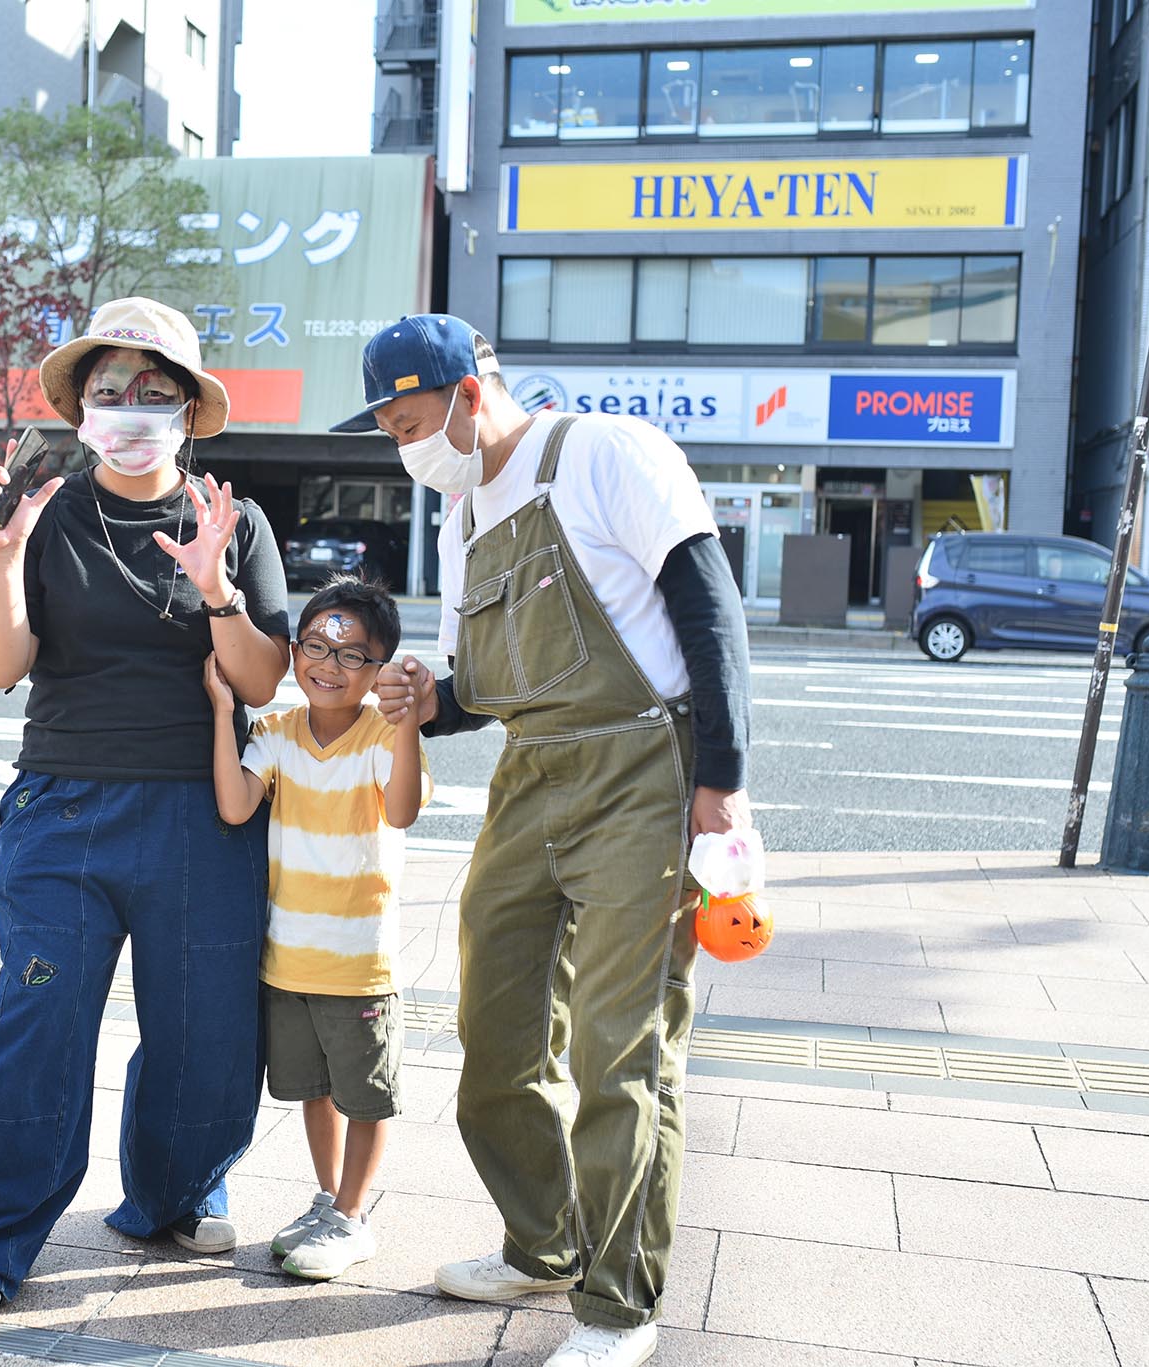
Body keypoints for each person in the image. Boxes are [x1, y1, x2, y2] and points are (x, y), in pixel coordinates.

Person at [343, 316, 752, 1367]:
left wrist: (720, 784)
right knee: (494, 1035)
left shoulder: (606, 452)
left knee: (622, 1048)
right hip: (530, 772)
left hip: (644, 764)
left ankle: (618, 1305)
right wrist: (423, 698)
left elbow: (709, 610)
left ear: (469, 393)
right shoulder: (461, 519)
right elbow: (477, 692)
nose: (402, 446)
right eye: (388, 430)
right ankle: (543, 1241)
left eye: (409, 422)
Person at [0, 297, 291, 1338]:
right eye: (109, 389)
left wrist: (218, 586)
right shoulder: (44, 511)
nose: (131, 407)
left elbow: (261, 679)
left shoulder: (235, 520)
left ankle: (176, 1192)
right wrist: (1, 556)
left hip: (204, 810)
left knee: (205, 1028)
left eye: (154, 390)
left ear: (188, 409)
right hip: (63, 803)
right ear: (80, 406)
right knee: (36, 1024)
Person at [202, 577, 429, 1282]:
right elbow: (235, 806)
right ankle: (329, 1200)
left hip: (358, 964)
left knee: (365, 1096)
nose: (330, 665)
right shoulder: (275, 734)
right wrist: (224, 712)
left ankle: (353, 1217)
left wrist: (410, 723)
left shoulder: (382, 735)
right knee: (313, 1090)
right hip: (288, 960)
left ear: (379, 667)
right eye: (317, 647)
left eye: (353, 654)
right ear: (295, 650)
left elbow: (402, 811)